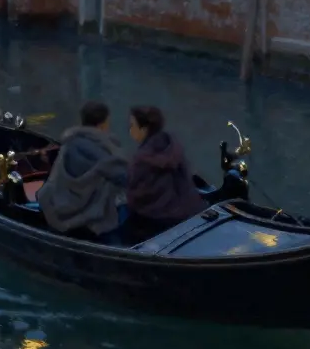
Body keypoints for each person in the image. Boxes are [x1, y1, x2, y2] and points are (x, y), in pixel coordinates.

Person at [36, 101, 130, 244]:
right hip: (90, 215)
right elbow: (124, 178)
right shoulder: (102, 149)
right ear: (104, 123)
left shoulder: (69, 142)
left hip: (62, 207)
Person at [124, 106, 206, 243]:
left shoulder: (142, 159)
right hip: (188, 211)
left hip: (159, 220)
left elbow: (136, 196)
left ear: (144, 129)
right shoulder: (171, 145)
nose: (130, 130)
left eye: (132, 125)